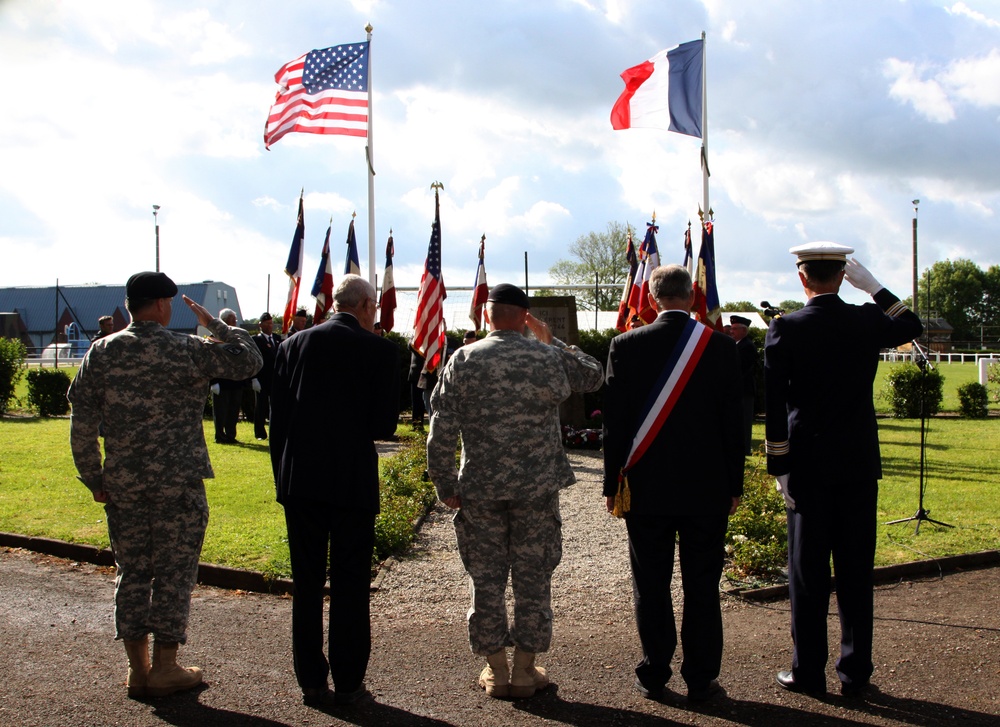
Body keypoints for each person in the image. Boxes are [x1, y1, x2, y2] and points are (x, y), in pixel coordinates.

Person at [67, 271, 262, 699]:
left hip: (124, 484)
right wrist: (218, 324)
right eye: (168, 302)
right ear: (160, 305)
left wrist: (93, 477)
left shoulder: (100, 353)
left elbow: (81, 421)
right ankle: (166, 667)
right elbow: (249, 361)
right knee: (173, 573)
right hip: (178, 482)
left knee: (133, 571)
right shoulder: (185, 348)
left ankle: (138, 670)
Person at [427, 283, 604, 699]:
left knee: (485, 578)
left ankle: (496, 670)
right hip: (536, 488)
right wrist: (551, 340)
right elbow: (592, 376)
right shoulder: (545, 356)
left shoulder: (463, 359)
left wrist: (445, 483)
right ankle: (525, 671)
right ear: (525, 316)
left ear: (487, 315)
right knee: (533, 575)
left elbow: (442, 427)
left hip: (480, 488)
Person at [765, 242, 923, 697]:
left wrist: (780, 464)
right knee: (856, 573)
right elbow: (909, 325)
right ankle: (855, 674)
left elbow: (775, 404)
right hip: (857, 463)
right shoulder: (866, 319)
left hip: (808, 467)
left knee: (807, 574)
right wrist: (874, 288)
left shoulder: (785, 328)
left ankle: (808, 672)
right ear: (842, 276)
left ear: (802, 278)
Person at [602, 264, 744, 703]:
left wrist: (612, 484)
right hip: (707, 487)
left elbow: (615, 424)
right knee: (702, 585)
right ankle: (701, 679)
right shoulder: (721, 347)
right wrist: (733, 484)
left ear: (650, 296)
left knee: (651, 583)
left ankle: (655, 673)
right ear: (693, 295)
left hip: (646, 486)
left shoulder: (625, 345)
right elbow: (734, 425)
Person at [269, 275, 399, 707]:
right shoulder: (380, 350)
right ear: (364, 304)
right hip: (349, 480)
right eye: (374, 305)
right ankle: (348, 682)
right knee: (350, 583)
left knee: (306, 584)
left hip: (300, 480)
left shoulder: (293, 345)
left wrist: (281, 480)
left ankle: (310, 679)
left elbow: (279, 422)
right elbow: (383, 425)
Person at [210, 308, 245, 443]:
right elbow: (211, 360)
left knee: (233, 409)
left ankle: (231, 435)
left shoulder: (236, 336)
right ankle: (220, 435)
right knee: (221, 410)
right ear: (225, 320)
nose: (235, 322)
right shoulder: (214, 335)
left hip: (235, 380)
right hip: (221, 380)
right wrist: (213, 382)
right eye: (232, 319)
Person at [730, 314, 759, 456]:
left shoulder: (747, 346)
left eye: (735, 329)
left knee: (744, 421)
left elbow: (741, 369)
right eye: (731, 328)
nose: (731, 331)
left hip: (744, 390)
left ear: (744, 331)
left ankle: (745, 449)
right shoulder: (737, 345)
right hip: (738, 390)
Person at [251, 312, 281, 440]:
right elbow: (253, 360)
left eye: (271, 323)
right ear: (260, 325)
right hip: (262, 378)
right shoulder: (256, 340)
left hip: (275, 378)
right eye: (267, 323)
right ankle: (260, 433)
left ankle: (276, 431)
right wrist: (254, 378)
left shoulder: (277, 338)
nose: (270, 326)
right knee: (261, 407)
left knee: (275, 406)